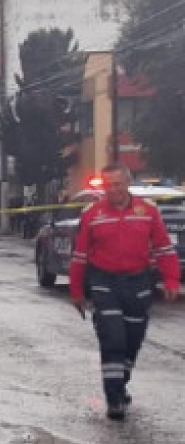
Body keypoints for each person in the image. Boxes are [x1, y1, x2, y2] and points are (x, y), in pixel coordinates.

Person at [69, 165, 180, 420]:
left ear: (127, 184)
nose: (113, 190)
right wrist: (76, 292)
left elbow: (164, 249)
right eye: (108, 185)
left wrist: (171, 280)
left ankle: (120, 379)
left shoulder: (148, 211)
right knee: (113, 338)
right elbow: (79, 256)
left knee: (133, 339)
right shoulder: (92, 214)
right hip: (103, 281)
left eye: (118, 184)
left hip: (138, 282)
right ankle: (114, 399)